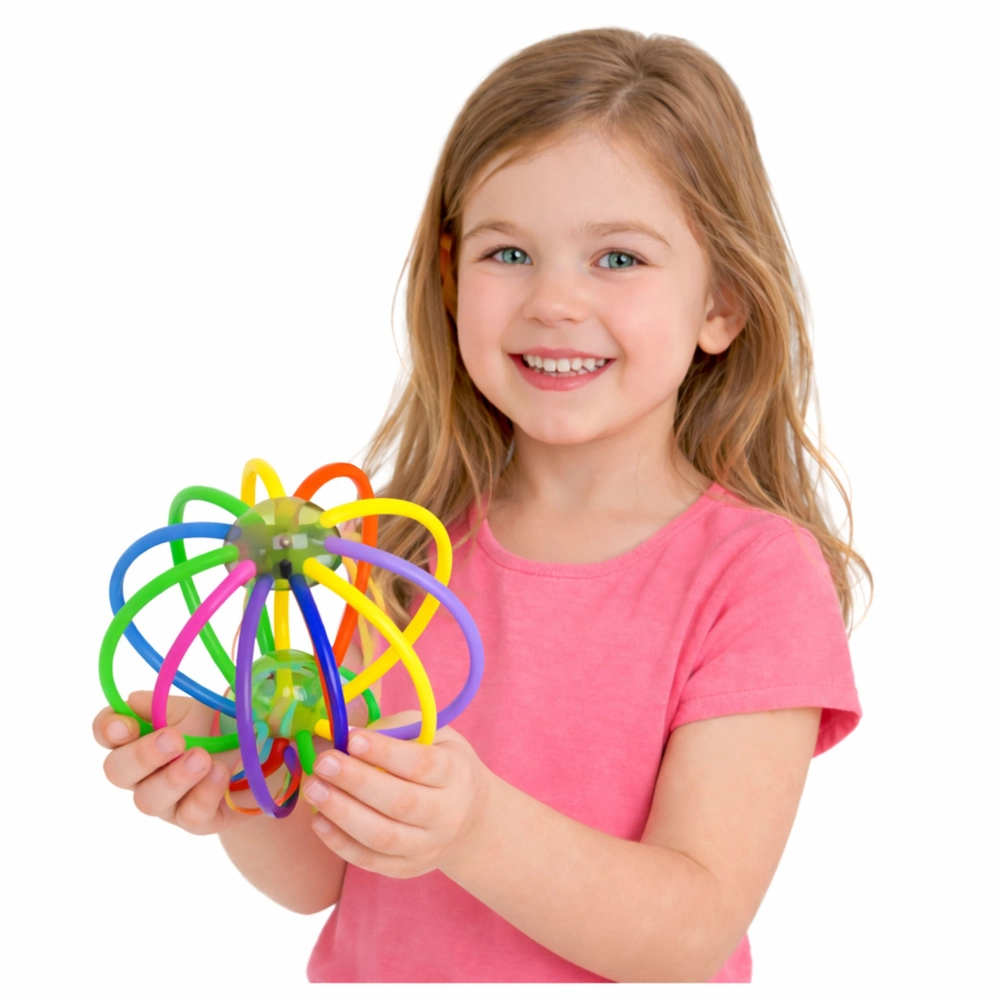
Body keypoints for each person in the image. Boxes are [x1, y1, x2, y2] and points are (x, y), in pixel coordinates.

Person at [93, 28, 868, 983]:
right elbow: (322, 877)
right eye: (509, 253)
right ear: (453, 276)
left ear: (723, 304)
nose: (554, 301)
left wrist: (476, 827)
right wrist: (241, 784)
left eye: (618, 258)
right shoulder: (399, 544)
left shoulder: (754, 575)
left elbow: (690, 932)